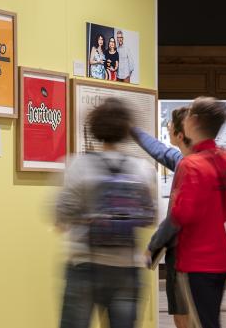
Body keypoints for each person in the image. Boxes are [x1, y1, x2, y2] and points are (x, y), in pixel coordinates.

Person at [56, 98, 155, 328]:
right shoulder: (141, 169)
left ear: (95, 127)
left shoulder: (77, 165)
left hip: (84, 264)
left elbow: (61, 216)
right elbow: (150, 217)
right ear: (127, 130)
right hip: (127, 268)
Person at [170, 97, 226, 328]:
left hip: (196, 259)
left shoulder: (190, 164)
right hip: (221, 255)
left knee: (202, 322)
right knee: (210, 320)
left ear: (194, 121)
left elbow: (181, 214)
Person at [131, 107, 191, 328]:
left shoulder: (188, 167)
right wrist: (132, 129)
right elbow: (160, 150)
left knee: (183, 314)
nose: (167, 127)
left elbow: (177, 216)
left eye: (170, 126)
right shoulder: (191, 160)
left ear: (180, 134)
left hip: (184, 254)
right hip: (206, 253)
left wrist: (153, 246)